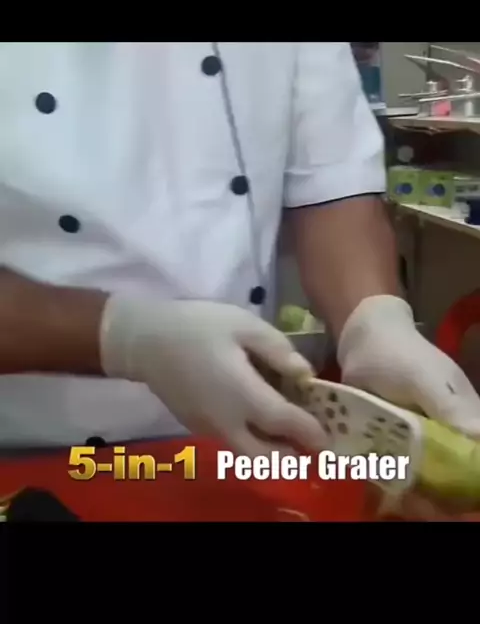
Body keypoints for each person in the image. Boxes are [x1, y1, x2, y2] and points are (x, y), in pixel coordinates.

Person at [1, 42, 480, 498]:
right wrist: (124, 337)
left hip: (241, 445)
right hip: (24, 453)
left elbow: (333, 185)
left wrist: (373, 321)